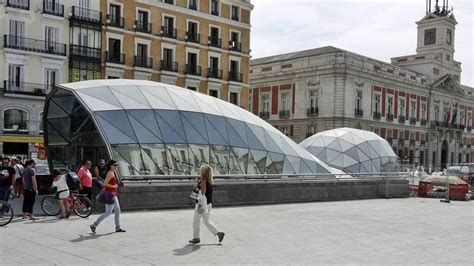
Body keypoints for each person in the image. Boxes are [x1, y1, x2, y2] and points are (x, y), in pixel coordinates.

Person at [189, 164, 225, 244]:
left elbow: (203, 192)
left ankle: (196, 238)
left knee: (196, 221)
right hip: (208, 204)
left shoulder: (203, 180)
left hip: (201, 204)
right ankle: (218, 233)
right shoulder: (209, 180)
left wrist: (196, 186)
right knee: (206, 221)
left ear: (203, 172)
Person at [90, 160, 125, 233]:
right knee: (108, 213)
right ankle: (94, 225)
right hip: (110, 194)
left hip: (113, 194)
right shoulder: (110, 173)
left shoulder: (113, 172)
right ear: (111, 166)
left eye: (117, 165)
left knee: (117, 211)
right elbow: (105, 184)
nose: (116, 166)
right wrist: (113, 186)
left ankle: (117, 227)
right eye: (115, 165)